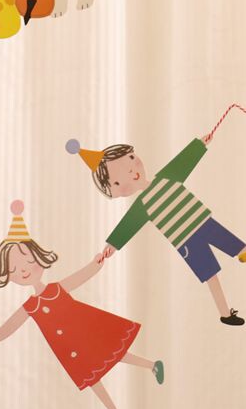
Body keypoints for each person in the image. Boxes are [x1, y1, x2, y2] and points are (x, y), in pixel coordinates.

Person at [0, 201, 163, 409]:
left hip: (84, 329)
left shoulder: (55, 289)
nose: (24, 270)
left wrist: (96, 264)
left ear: (39, 259)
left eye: (28, 262)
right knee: (91, 375)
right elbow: (12, 324)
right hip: (69, 346)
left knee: (113, 354)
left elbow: (81, 277)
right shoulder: (30, 306)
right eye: (14, 269)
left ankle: (151, 366)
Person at [67, 135, 246, 325]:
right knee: (211, 275)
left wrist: (200, 144)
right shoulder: (143, 205)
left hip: (203, 223)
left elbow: (184, 161)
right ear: (116, 189)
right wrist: (113, 244)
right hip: (186, 240)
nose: (132, 173)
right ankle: (225, 314)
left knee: (238, 249)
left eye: (131, 161)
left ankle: (229, 299)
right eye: (118, 181)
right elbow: (128, 225)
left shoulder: (166, 177)